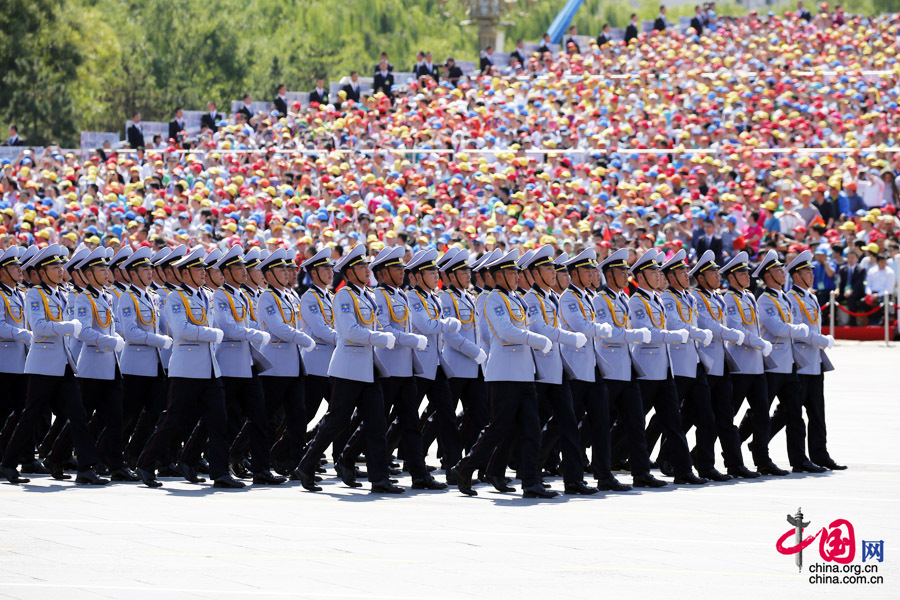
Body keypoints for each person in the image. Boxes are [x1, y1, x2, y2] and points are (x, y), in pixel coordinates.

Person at [293, 245, 402, 494]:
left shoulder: (366, 295)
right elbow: (350, 332)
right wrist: (379, 338)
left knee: (376, 424)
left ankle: (379, 478)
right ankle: (307, 465)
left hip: (368, 368)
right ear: (350, 272)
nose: (367, 271)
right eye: (362, 267)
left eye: (367, 266)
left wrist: (382, 336)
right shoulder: (343, 296)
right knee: (336, 422)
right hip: (348, 369)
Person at [450, 250, 557, 498]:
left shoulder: (516, 299)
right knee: (497, 428)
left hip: (524, 372)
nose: (517, 276)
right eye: (511, 272)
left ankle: (531, 482)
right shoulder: (492, 299)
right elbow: (505, 332)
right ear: (498, 275)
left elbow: (525, 326)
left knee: (530, 430)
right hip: (504, 373)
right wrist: (536, 340)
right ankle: (465, 468)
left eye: (517, 272)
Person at [135, 246, 244, 489]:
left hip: (210, 369)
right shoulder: (176, 297)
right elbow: (181, 329)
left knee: (218, 421)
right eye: (198, 269)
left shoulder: (206, 296)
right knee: (173, 421)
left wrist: (211, 336)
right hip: (186, 369)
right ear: (185, 273)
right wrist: (212, 334)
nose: (204, 273)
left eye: (204, 269)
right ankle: (145, 463)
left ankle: (220, 473)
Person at [1, 245, 107, 485]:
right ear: (41, 271)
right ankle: (8, 463)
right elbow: (38, 328)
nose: (61, 271)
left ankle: (85, 468)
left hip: (64, 364)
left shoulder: (61, 293)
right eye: (55, 267)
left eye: (61, 267)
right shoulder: (35, 295)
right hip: (43, 365)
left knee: (78, 414)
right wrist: (68, 327)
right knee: (30, 416)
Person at [346, 246, 443, 490]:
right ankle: (346, 459)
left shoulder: (400, 294)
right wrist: (410, 339)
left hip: (406, 368)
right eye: (397, 268)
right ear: (383, 272)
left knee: (411, 425)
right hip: (388, 369)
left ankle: (419, 475)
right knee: (375, 422)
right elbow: (383, 329)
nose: (402, 272)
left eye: (402, 267)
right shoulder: (379, 296)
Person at [522, 246, 599, 495]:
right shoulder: (530, 300)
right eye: (547, 268)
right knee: (531, 427)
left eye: (554, 268)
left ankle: (573, 479)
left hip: (557, 370)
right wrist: (570, 338)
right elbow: (540, 329)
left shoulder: (553, 298)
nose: (553, 272)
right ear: (535, 273)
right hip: (538, 371)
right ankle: (526, 477)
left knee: (569, 424)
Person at [626, 249, 707, 485]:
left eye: (659, 271)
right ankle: (639, 471)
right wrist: (674, 336)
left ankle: (684, 470)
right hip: (646, 368)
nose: (659, 275)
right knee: (636, 422)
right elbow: (647, 333)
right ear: (641, 276)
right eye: (653, 271)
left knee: (673, 421)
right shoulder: (637, 301)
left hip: (664, 369)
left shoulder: (657, 300)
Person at [558, 248, 632, 491]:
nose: (592, 274)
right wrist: (604, 329)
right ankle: (572, 478)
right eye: (587, 270)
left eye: (593, 269)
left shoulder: (588, 297)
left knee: (601, 424)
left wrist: (601, 328)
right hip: (576, 369)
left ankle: (604, 474)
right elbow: (581, 327)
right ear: (575, 273)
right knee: (571, 426)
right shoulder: (568, 297)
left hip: (593, 367)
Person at [655, 250, 732, 481]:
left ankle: (705, 465)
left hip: (695, 362)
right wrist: (701, 333)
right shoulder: (667, 298)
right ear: (670, 276)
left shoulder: (688, 297)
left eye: (686, 270)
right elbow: (677, 325)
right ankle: (667, 459)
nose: (686, 274)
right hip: (677, 364)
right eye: (681, 271)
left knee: (706, 417)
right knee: (672, 418)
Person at [212, 246, 286, 485]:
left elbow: (253, 322)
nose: (244, 271)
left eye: (245, 267)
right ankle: (220, 471)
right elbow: (228, 327)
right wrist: (255, 333)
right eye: (238, 268)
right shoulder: (221, 296)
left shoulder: (243, 295)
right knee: (223, 422)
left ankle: (261, 469)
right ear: (226, 272)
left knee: (260, 418)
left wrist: (255, 332)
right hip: (229, 364)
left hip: (247, 363)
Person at [751, 250, 826, 474]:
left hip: (790, 363)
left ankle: (799, 459)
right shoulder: (765, 300)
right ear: (766, 276)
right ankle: (761, 458)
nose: (782, 273)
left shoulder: (783, 298)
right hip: (773, 363)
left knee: (795, 415)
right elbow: (777, 328)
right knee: (762, 415)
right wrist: (799, 330)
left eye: (782, 269)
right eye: (777, 270)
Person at [689, 250, 760, 479]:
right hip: (707, 364)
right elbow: (708, 324)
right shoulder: (696, 298)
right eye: (711, 272)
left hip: (722, 364)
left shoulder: (717, 297)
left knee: (725, 419)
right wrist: (734, 335)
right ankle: (701, 464)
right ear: (700, 277)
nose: (717, 275)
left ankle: (734, 464)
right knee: (702, 420)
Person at [773, 251, 846, 470]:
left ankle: (820, 454)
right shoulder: (792, 299)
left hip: (815, 361)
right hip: (801, 360)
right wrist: (821, 340)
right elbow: (797, 331)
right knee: (790, 413)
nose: (811, 275)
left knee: (816, 413)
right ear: (796, 275)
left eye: (812, 271)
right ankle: (759, 442)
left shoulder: (810, 296)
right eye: (806, 272)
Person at [71, 247, 137, 481]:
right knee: (83, 418)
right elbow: (83, 332)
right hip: (92, 367)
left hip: (111, 366)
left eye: (107, 268)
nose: (106, 272)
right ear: (89, 275)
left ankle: (116, 465)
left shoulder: (106, 296)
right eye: (101, 269)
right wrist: (111, 341)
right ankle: (64, 459)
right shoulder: (83, 298)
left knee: (115, 419)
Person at [406, 248, 463, 479]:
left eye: (436, 272)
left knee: (448, 416)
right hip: (418, 366)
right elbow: (427, 325)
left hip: (436, 365)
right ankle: (411, 461)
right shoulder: (413, 297)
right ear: (418, 276)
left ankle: (454, 467)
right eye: (431, 272)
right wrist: (449, 323)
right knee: (407, 418)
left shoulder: (433, 297)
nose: (436, 276)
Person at [117, 247, 172, 469]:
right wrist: (160, 340)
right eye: (144, 269)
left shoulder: (152, 297)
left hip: (155, 364)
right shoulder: (127, 298)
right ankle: (107, 456)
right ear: (133, 274)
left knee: (157, 415)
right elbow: (130, 332)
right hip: (136, 366)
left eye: (151, 268)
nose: (150, 272)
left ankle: (138, 455)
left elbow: (160, 326)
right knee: (126, 417)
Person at [0, 248, 32, 468]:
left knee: (23, 413)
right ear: (2, 272)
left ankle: (25, 458)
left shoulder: (19, 293)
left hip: (22, 362)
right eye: (14, 267)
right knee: (4, 412)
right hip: (4, 362)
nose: (20, 271)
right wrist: (22, 334)